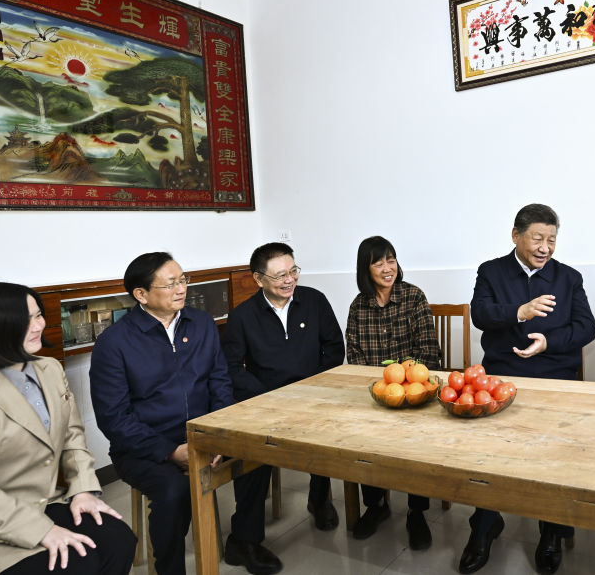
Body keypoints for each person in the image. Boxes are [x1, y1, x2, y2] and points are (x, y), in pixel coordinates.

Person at [89, 253, 276, 575]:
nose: (181, 289)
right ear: (141, 294)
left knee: (259, 452)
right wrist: (170, 451)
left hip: (204, 432)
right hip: (145, 446)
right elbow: (114, 417)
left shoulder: (201, 323)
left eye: (183, 279)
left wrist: (217, 434)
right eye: (170, 283)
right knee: (174, 492)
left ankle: (244, 542)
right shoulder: (114, 343)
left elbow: (219, 381)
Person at [461, 203, 595, 575]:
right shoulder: (491, 271)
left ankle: (551, 529)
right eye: (538, 238)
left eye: (551, 240)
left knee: (554, 456)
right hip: (504, 376)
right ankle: (485, 525)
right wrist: (519, 312)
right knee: (489, 454)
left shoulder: (568, 278)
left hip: (555, 377)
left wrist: (548, 343)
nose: (545, 247)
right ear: (516, 235)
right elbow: (480, 314)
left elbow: (587, 328)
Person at [0, 282, 136, 575]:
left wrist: (83, 490)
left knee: (119, 540)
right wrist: (42, 531)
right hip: (6, 518)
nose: (39, 325)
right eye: (26, 320)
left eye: (38, 315)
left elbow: (73, 437)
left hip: (47, 501)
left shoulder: (49, 368)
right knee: (78, 564)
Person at [222, 244, 346, 553]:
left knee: (326, 436)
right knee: (251, 450)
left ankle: (319, 499)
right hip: (266, 402)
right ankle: (246, 537)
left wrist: (314, 387)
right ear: (258, 279)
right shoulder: (242, 317)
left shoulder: (314, 301)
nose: (289, 280)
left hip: (314, 396)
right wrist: (267, 398)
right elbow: (232, 368)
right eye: (280, 275)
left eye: (293, 271)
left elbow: (334, 348)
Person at [344, 235, 442, 550]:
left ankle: (417, 511)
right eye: (378, 262)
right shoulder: (359, 305)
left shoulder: (414, 297)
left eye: (391, 260)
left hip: (413, 392)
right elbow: (354, 356)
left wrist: (407, 387)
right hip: (377, 395)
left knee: (416, 441)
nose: (388, 268)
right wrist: (381, 390)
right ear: (365, 268)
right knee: (362, 436)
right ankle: (376, 505)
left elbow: (429, 352)